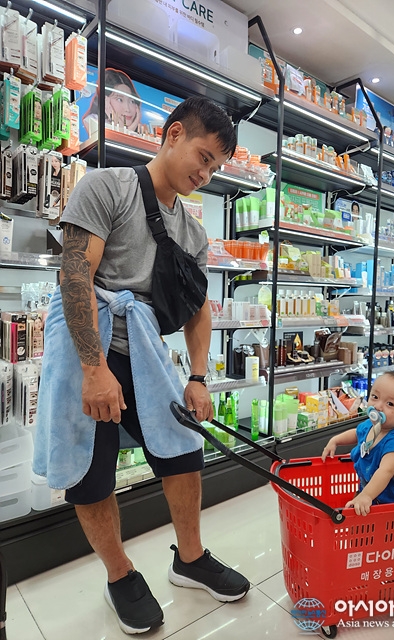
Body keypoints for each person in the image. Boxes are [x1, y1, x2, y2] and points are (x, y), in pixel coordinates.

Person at [33, 96, 249, 635]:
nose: (205, 175)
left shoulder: (192, 233)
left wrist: (198, 377)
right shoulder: (105, 187)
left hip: (148, 353)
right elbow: (75, 274)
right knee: (90, 471)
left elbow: (198, 309)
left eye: (215, 168)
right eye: (203, 158)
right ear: (173, 134)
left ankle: (190, 559)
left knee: (183, 451)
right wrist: (93, 370)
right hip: (88, 346)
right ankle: (120, 575)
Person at [321, 371, 394, 516]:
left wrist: (366, 495)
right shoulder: (371, 425)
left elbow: (385, 472)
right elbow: (357, 433)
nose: (378, 406)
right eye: (375, 397)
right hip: (372, 497)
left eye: (390, 404)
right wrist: (335, 441)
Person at [83, 68, 142, 137]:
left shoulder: (140, 132)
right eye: (120, 99)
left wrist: (129, 128)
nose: (127, 109)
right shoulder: (92, 121)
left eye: (132, 101)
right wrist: (121, 126)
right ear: (105, 100)